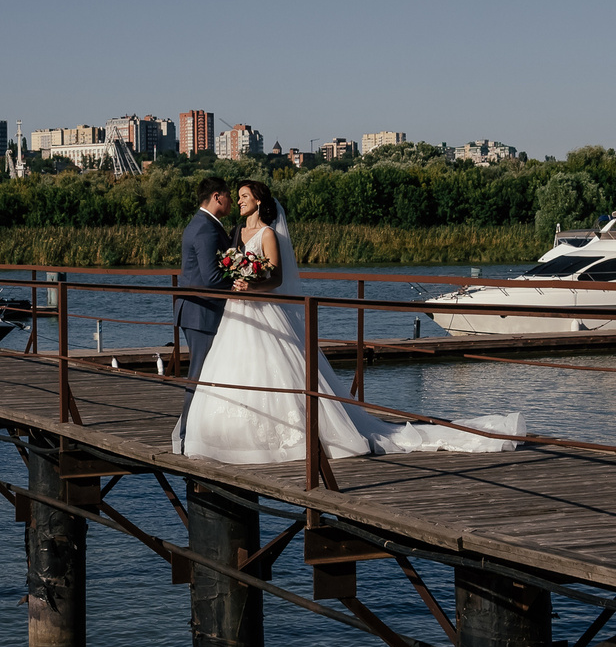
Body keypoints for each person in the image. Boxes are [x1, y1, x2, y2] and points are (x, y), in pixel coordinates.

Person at [175, 180, 524, 464]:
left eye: (245, 197)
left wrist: (253, 283)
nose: (239, 201)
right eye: (237, 197)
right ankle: (227, 434)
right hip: (239, 311)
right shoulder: (237, 232)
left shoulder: (267, 233)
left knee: (277, 367)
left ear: (260, 202)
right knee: (232, 370)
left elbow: (277, 278)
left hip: (259, 303)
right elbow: (228, 265)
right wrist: (239, 280)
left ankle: (288, 435)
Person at [174, 178, 236, 432]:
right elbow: (211, 277)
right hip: (201, 311)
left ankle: (201, 429)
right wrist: (240, 281)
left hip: (198, 309)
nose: (232, 201)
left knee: (204, 371)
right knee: (198, 373)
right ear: (217, 196)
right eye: (229, 195)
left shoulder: (206, 225)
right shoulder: (206, 229)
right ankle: (187, 432)